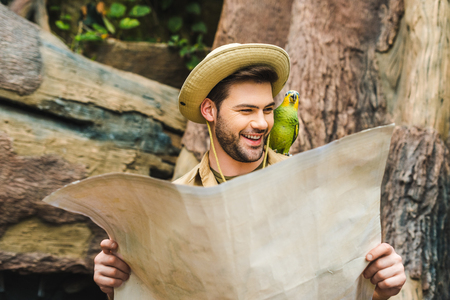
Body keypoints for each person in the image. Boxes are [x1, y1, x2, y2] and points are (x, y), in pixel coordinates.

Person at [93, 43, 406, 300]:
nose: (262, 123)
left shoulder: (313, 189)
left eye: (268, 109)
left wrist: (380, 291)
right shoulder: (168, 208)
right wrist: (117, 286)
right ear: (209, 111)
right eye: (246, 110)